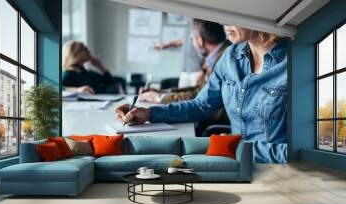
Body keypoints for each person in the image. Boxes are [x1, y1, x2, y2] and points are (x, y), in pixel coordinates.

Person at [116, 26, 288, 163]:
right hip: (235, 163)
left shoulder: (297, 61)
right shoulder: (230, 57)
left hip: (278, 172)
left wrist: (240, 148)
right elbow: (201, 105)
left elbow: (304, 150)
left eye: (232, 15)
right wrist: (149, 113)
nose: (222, 22)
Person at [139, 19, 231, 104]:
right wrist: (162, 92)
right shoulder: (216, 57)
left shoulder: (226, 58)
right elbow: (199, 90)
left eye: (192, 39)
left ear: (200, 40)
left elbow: (200, 96)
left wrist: (159, 97)